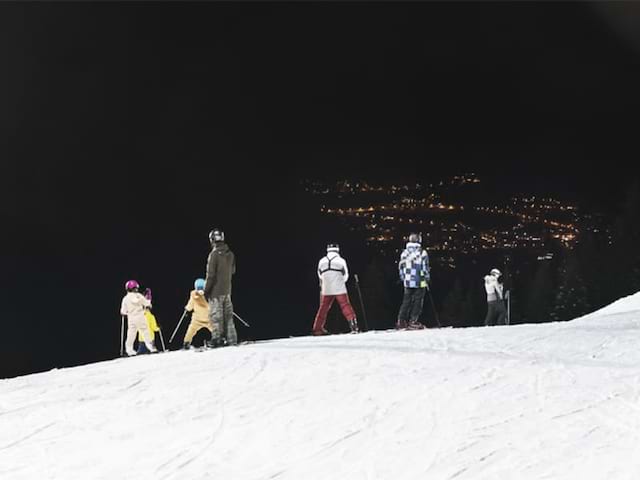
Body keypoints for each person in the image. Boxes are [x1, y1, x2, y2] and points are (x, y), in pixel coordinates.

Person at [312, 243, 358, 335]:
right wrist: (341, 281)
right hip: (339, 286)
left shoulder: (322, 261)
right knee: (345, 305)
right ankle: (353, 326)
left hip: (326, 287)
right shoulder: (341, 260)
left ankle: (317, 328)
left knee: (323, 307)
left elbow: (319, 274)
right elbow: (346, 275)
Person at [204, 228, 237, 347]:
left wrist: (206, 291)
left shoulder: (213, 254)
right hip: (227, 290)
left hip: (215, 292)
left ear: (212, 240)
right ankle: (232, 338)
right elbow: (233, 271)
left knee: (216, 316)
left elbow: (210, 275)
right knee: (228, 315)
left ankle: (217, 339)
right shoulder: (230, 254)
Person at [397, 233, 431, 329]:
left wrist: (403, 278)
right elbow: (425, 268)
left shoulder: (404, 253)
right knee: (418, 301)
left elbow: (401, 267)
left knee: (406, 300)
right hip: (420, 280)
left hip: (407, 280)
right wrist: (427, 278)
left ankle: (401, 320)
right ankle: (413, 321)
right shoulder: (422, 253)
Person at [120, 280, 157, 356]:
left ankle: (129, 350)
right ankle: (151, 347)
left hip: (131, 319)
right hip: (140, 316)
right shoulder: (139, 295)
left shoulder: (125, 298)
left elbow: (123, 311)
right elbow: (147, 304)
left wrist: (125, 313)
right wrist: (148, 299)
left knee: (131, 334)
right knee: (145, 331)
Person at [182, 278, 212, 349]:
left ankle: (219, 339)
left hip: (209, 318)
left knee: (216, 328)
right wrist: (187, 310)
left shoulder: (209, 295)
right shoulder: (193, 295)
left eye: (202, 288)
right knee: (191, 329)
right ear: (196, 289)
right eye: (199, 288)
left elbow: (213, 303)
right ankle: (186, 342)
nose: (201, 290)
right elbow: (190, 304)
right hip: (197, 319)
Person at [136, 288, 161, 354]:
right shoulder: (151, 316)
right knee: (151, 351)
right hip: (150, 339)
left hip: (141, 339)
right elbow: (154, 328)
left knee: (140, 353)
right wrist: (158, 328)